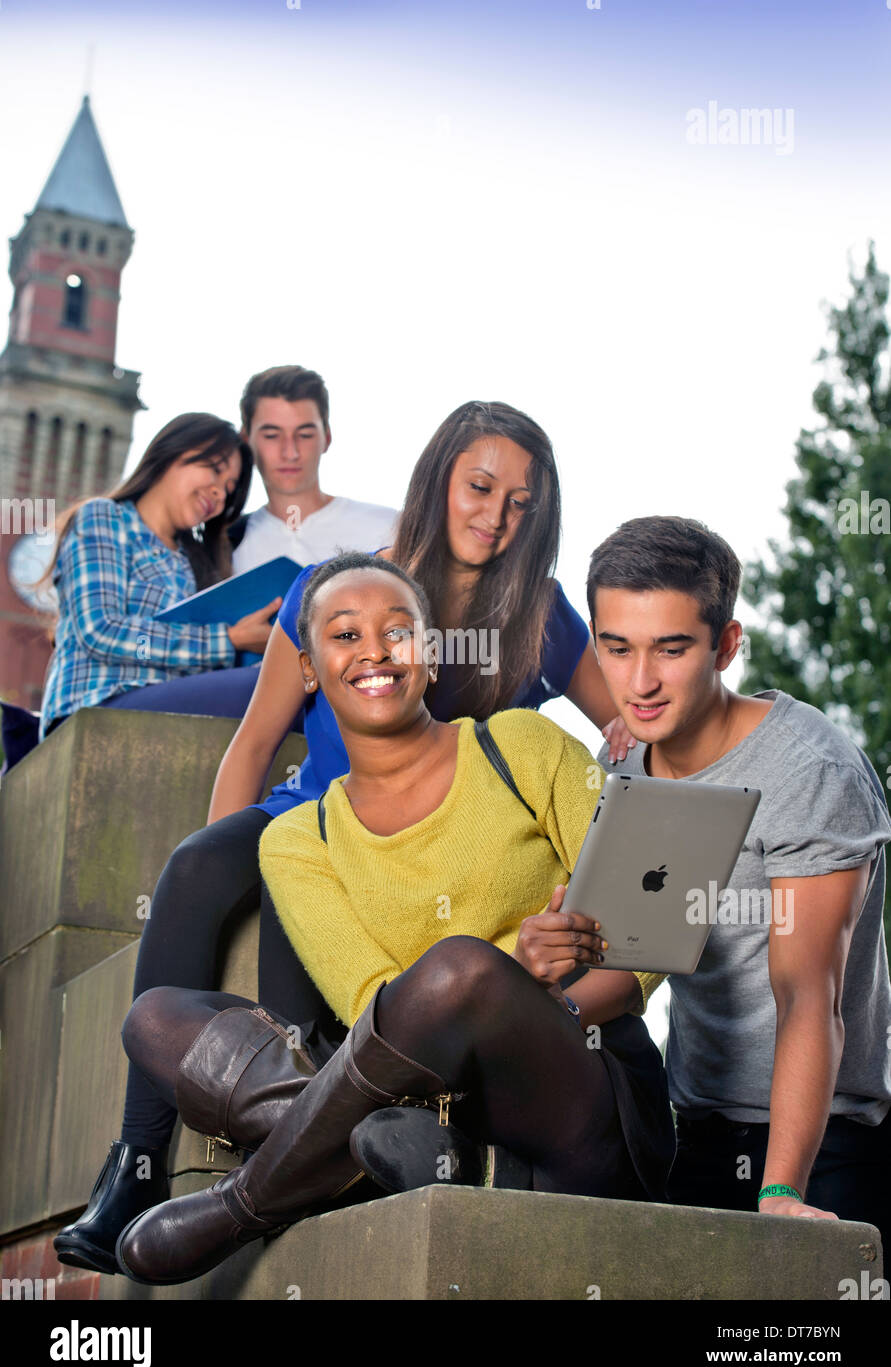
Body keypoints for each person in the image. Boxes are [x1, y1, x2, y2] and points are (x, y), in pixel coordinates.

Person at [54, 400, 633, 1275]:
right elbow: (254, 740)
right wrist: (250, 849)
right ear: (439, 480)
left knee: (332, 921)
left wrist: (640, 733)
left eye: (522, 503)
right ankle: (137, 1165)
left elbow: (623, 721)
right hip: (315, 809)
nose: (495, 514)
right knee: (202, 870)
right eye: (480, 487)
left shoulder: (539, 615)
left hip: (442, 839)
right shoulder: (341, 584)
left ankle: (285, 1163)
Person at [112, 552, 674, 1286]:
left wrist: (529, 992)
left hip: (575, 1090)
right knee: (154, 1019)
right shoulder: (297, 840)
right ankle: (409, 1152)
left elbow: (650, 934)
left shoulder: (522, 746)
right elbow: (373, 1005)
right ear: (309, 669)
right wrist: (510, 965)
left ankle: (248, 1201)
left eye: (396, 631)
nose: (374, 651)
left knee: (460, 967)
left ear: (429, 654)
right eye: (344, 635)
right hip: (418, 1095)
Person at [583, 514, 891, 1246]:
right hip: (698, 1125)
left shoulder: (806, 771)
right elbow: (636, 964)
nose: (640, 681)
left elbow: (805, 994)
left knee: (797, 1353)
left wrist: (780, 1189)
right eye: (616, 648)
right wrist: (541, 979)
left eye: (671, 649)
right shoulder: (627, 771)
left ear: (725, 645)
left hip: (826, 1141)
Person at [37, 413, 285, 742]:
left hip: (166, 706)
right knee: (269, 692)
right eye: (214, 469)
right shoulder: (104, 518)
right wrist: (229, 640)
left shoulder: (195, 562)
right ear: (170, 453)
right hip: (95, 703)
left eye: (228, 488)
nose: (220, 493)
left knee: (291, 685)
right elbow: (100, 631)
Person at [228, 365, 399, 573]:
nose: (290, 452)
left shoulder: (389, 527)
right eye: (272, 436)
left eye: (305, 434)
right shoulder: (227, 546)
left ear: (326, 438)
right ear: (246, 441)